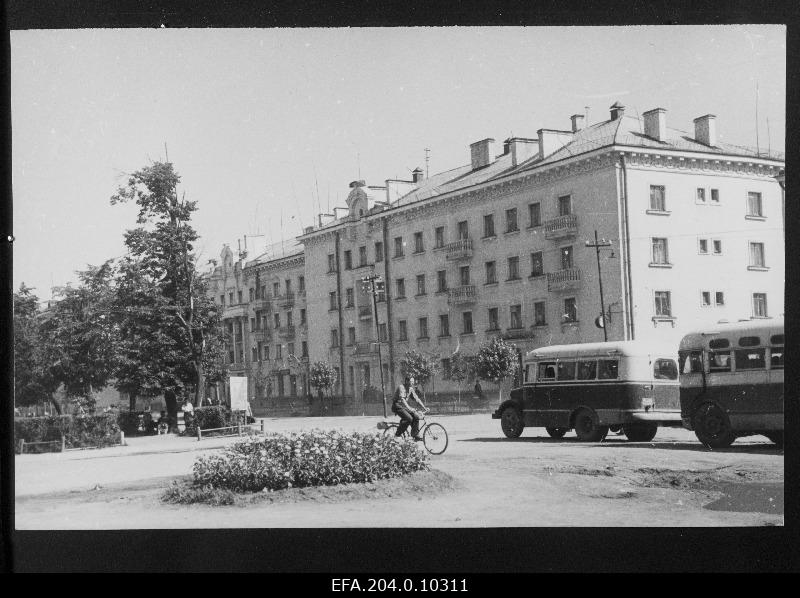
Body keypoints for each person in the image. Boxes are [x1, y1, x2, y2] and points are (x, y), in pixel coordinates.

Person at [392, 376, 428, 441]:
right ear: (406, 381)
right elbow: (402, 399)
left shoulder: (410, 389)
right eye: (411, 381)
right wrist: (410, 408)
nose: (412, 383)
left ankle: (415, 435)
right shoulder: (401, 387)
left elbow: (417, 399)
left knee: (416, 416)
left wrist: (424, 407)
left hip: (404, 407)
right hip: (397, 405)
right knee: (409, 418)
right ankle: (397, 435)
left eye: (413, 382)